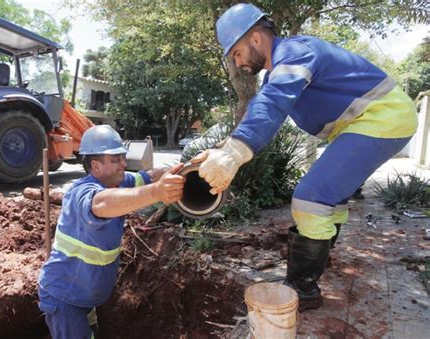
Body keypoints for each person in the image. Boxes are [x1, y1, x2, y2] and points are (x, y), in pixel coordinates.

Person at [193, 3, 417, 311]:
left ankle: (302, 289)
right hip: (368, 121)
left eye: (237, 53)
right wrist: (223, 149)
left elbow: (271, 104)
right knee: (329, 200)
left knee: (310, 198)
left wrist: (235, 152)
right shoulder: (279, 73)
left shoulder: (295, 52)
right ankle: (319, 263)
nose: (238, 62)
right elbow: (268, 114)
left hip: (382, 117)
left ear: (256, 39)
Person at [38, 125, 185, 338]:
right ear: (95, 165)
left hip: (86, 295)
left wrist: (186, 169)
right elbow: (100, 204)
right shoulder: (82, 192)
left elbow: (149, 176)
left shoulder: (117, 182)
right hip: (65, 297)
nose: (124, 164)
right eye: (116, 159)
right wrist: (156, 193)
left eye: (122, 158)